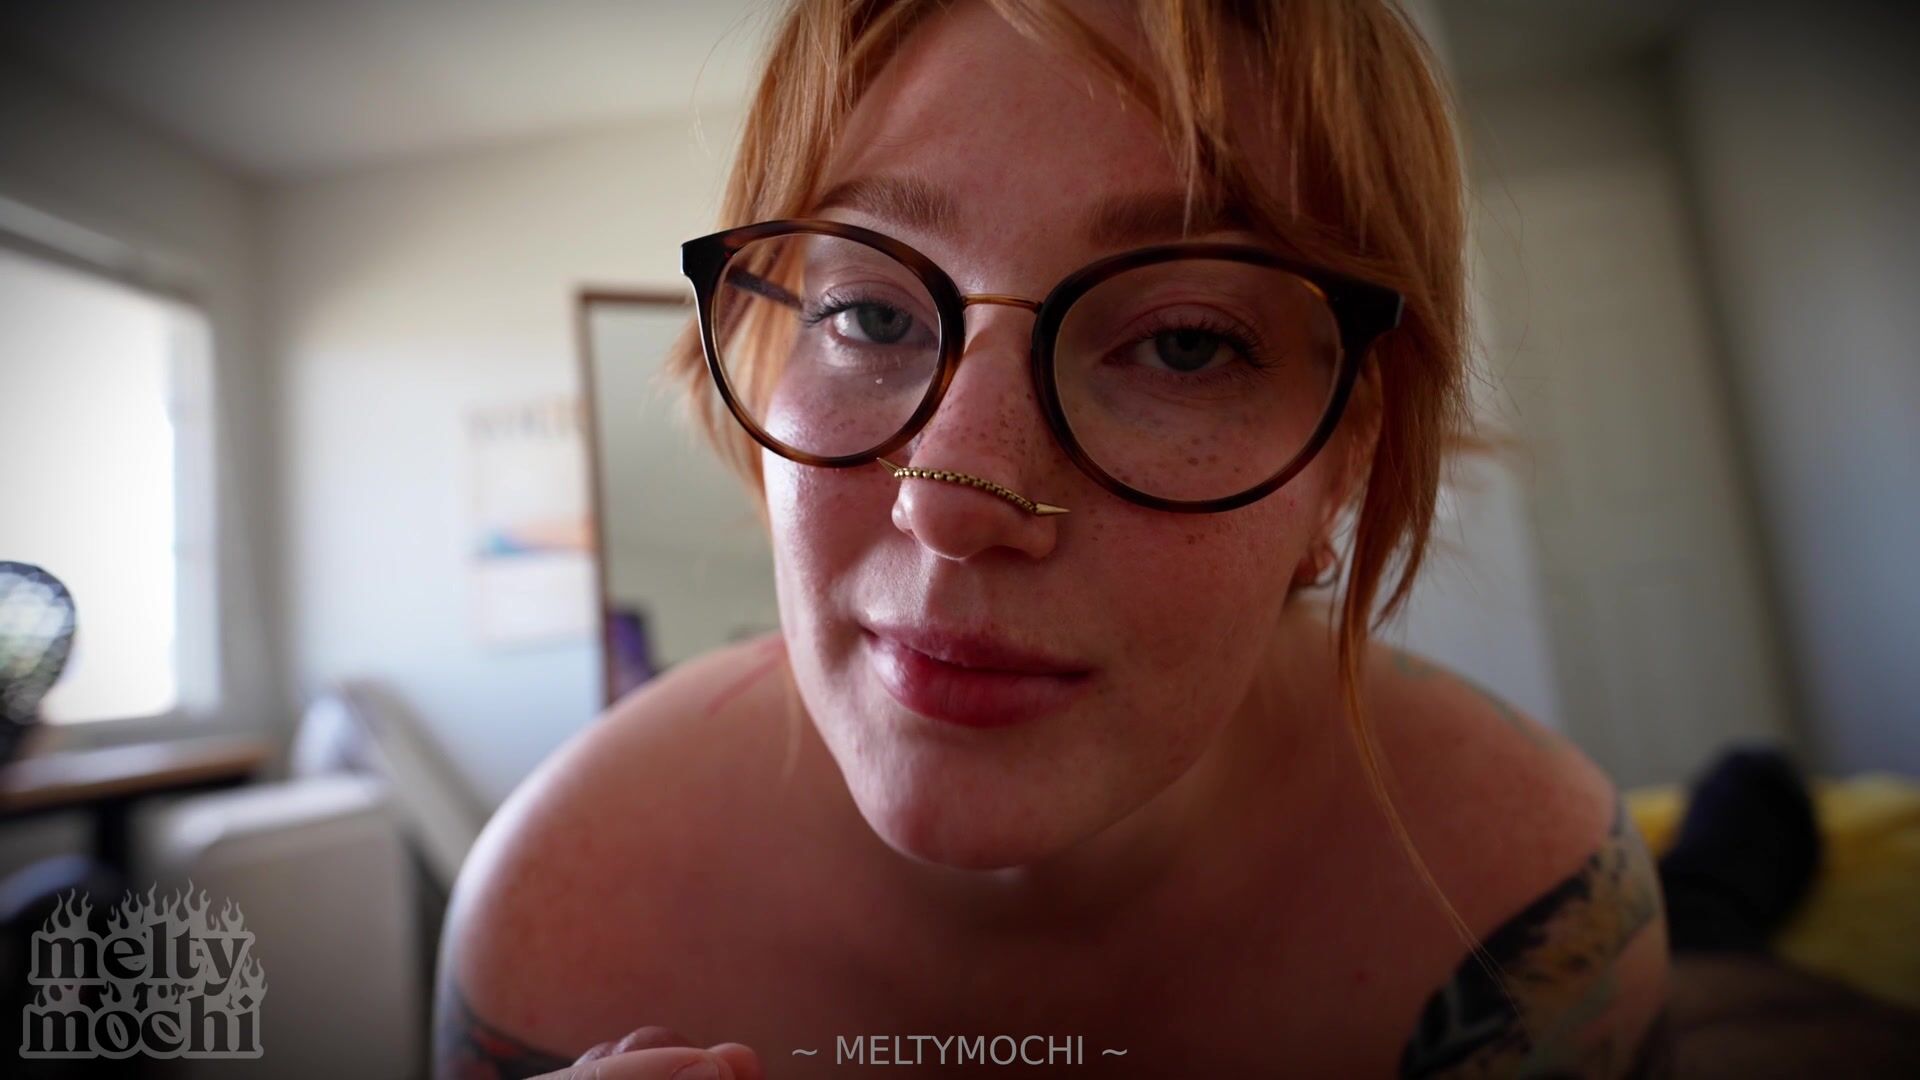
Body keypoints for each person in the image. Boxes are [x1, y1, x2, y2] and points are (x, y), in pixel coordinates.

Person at [434, 1, 1670, 1076]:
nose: (952, 502)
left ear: (1347, 451)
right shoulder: (557, 923)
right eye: (869, 315)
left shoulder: (1527, 913)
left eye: (1184, 343)